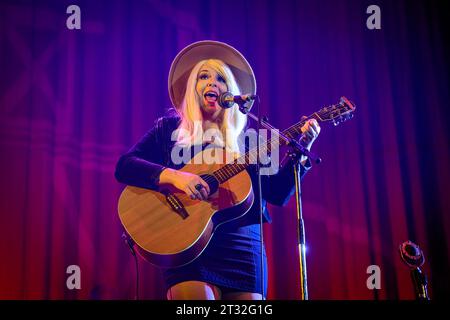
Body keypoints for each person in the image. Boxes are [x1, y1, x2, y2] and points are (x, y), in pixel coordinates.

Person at [115, 40, 321, 300]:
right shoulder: (168, 131)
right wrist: (176, 176)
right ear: (193, 88)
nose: (213, 83)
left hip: (243, 247)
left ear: (231, 93)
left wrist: (300, 152)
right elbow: (125, 167)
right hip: (188, 240)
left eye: (221, 79)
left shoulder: (249, 142)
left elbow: (278, 194)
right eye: (204, 77)